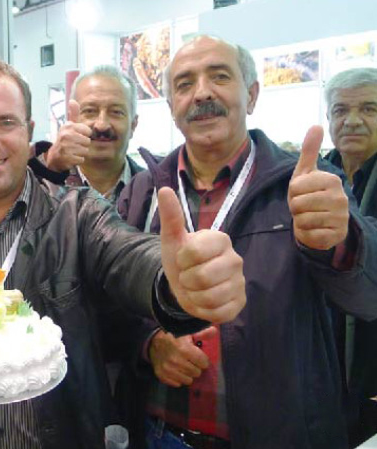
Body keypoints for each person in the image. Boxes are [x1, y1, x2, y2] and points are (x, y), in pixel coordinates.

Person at [0, 56, 246, 449]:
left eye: (6, 123)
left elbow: (126, 253)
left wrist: (173, 281)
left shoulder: (78, 214)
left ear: (29, 131)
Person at [117, 35, 377, 449]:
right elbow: (113, 302)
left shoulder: (307, 184)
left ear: (252, 95)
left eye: (219, 77)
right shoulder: (144, 192)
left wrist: (344, 240)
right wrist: (149, 343)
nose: (202, 93)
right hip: (160, 434)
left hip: (279, 435)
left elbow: (368, 295)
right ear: (171, 107)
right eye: (184, 84)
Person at [324, 67, 377, 447]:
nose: (352, 120)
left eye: (369, 109)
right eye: (341, 110)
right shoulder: (310, 177)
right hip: (319, 371)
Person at [29, 65, 161, 204]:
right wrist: (49, 170)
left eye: (116, 112)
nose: (102, 125)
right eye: (90, 111)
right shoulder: (43, 187)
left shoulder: (155, 191)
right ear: (71, 120)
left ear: (133, 125)